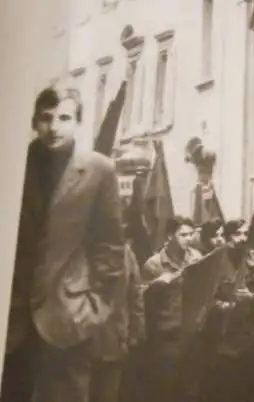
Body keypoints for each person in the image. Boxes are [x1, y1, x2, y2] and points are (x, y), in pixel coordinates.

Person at [2, 85, 125, 402]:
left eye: (64, 117)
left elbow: (110, 248)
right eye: (45, 118)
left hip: (67, 319)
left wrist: (92, 308)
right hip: (12, 319)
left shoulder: (98, 170)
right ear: (34, 121)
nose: (54, 127)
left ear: (78, 121)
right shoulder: (14, 162)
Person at [204, 219, 254, 402]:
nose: (243, 238)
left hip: (253, 336)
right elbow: (204, 297)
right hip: (223, 336)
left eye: (246, 233)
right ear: (228, 238)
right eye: (238, 234)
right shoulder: (213, 261)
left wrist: (252, 298)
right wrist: (222, 306)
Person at [140, 216, 202, 402]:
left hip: (193, 335)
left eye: (191, 234)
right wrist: (154, 286)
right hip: (167, 338)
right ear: (169, 237)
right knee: (166, 389)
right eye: (183, 234)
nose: (189, 239)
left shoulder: (196, 258)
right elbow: (139, 301)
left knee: (192, 390)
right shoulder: (154, 264)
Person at [89, 225, 145, 402]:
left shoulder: (126, 254)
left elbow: (135, 296)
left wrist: (136, 332)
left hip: (105, 339)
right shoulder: (126, 253)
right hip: (103, 339)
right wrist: (136, 334)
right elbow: (136, 297)